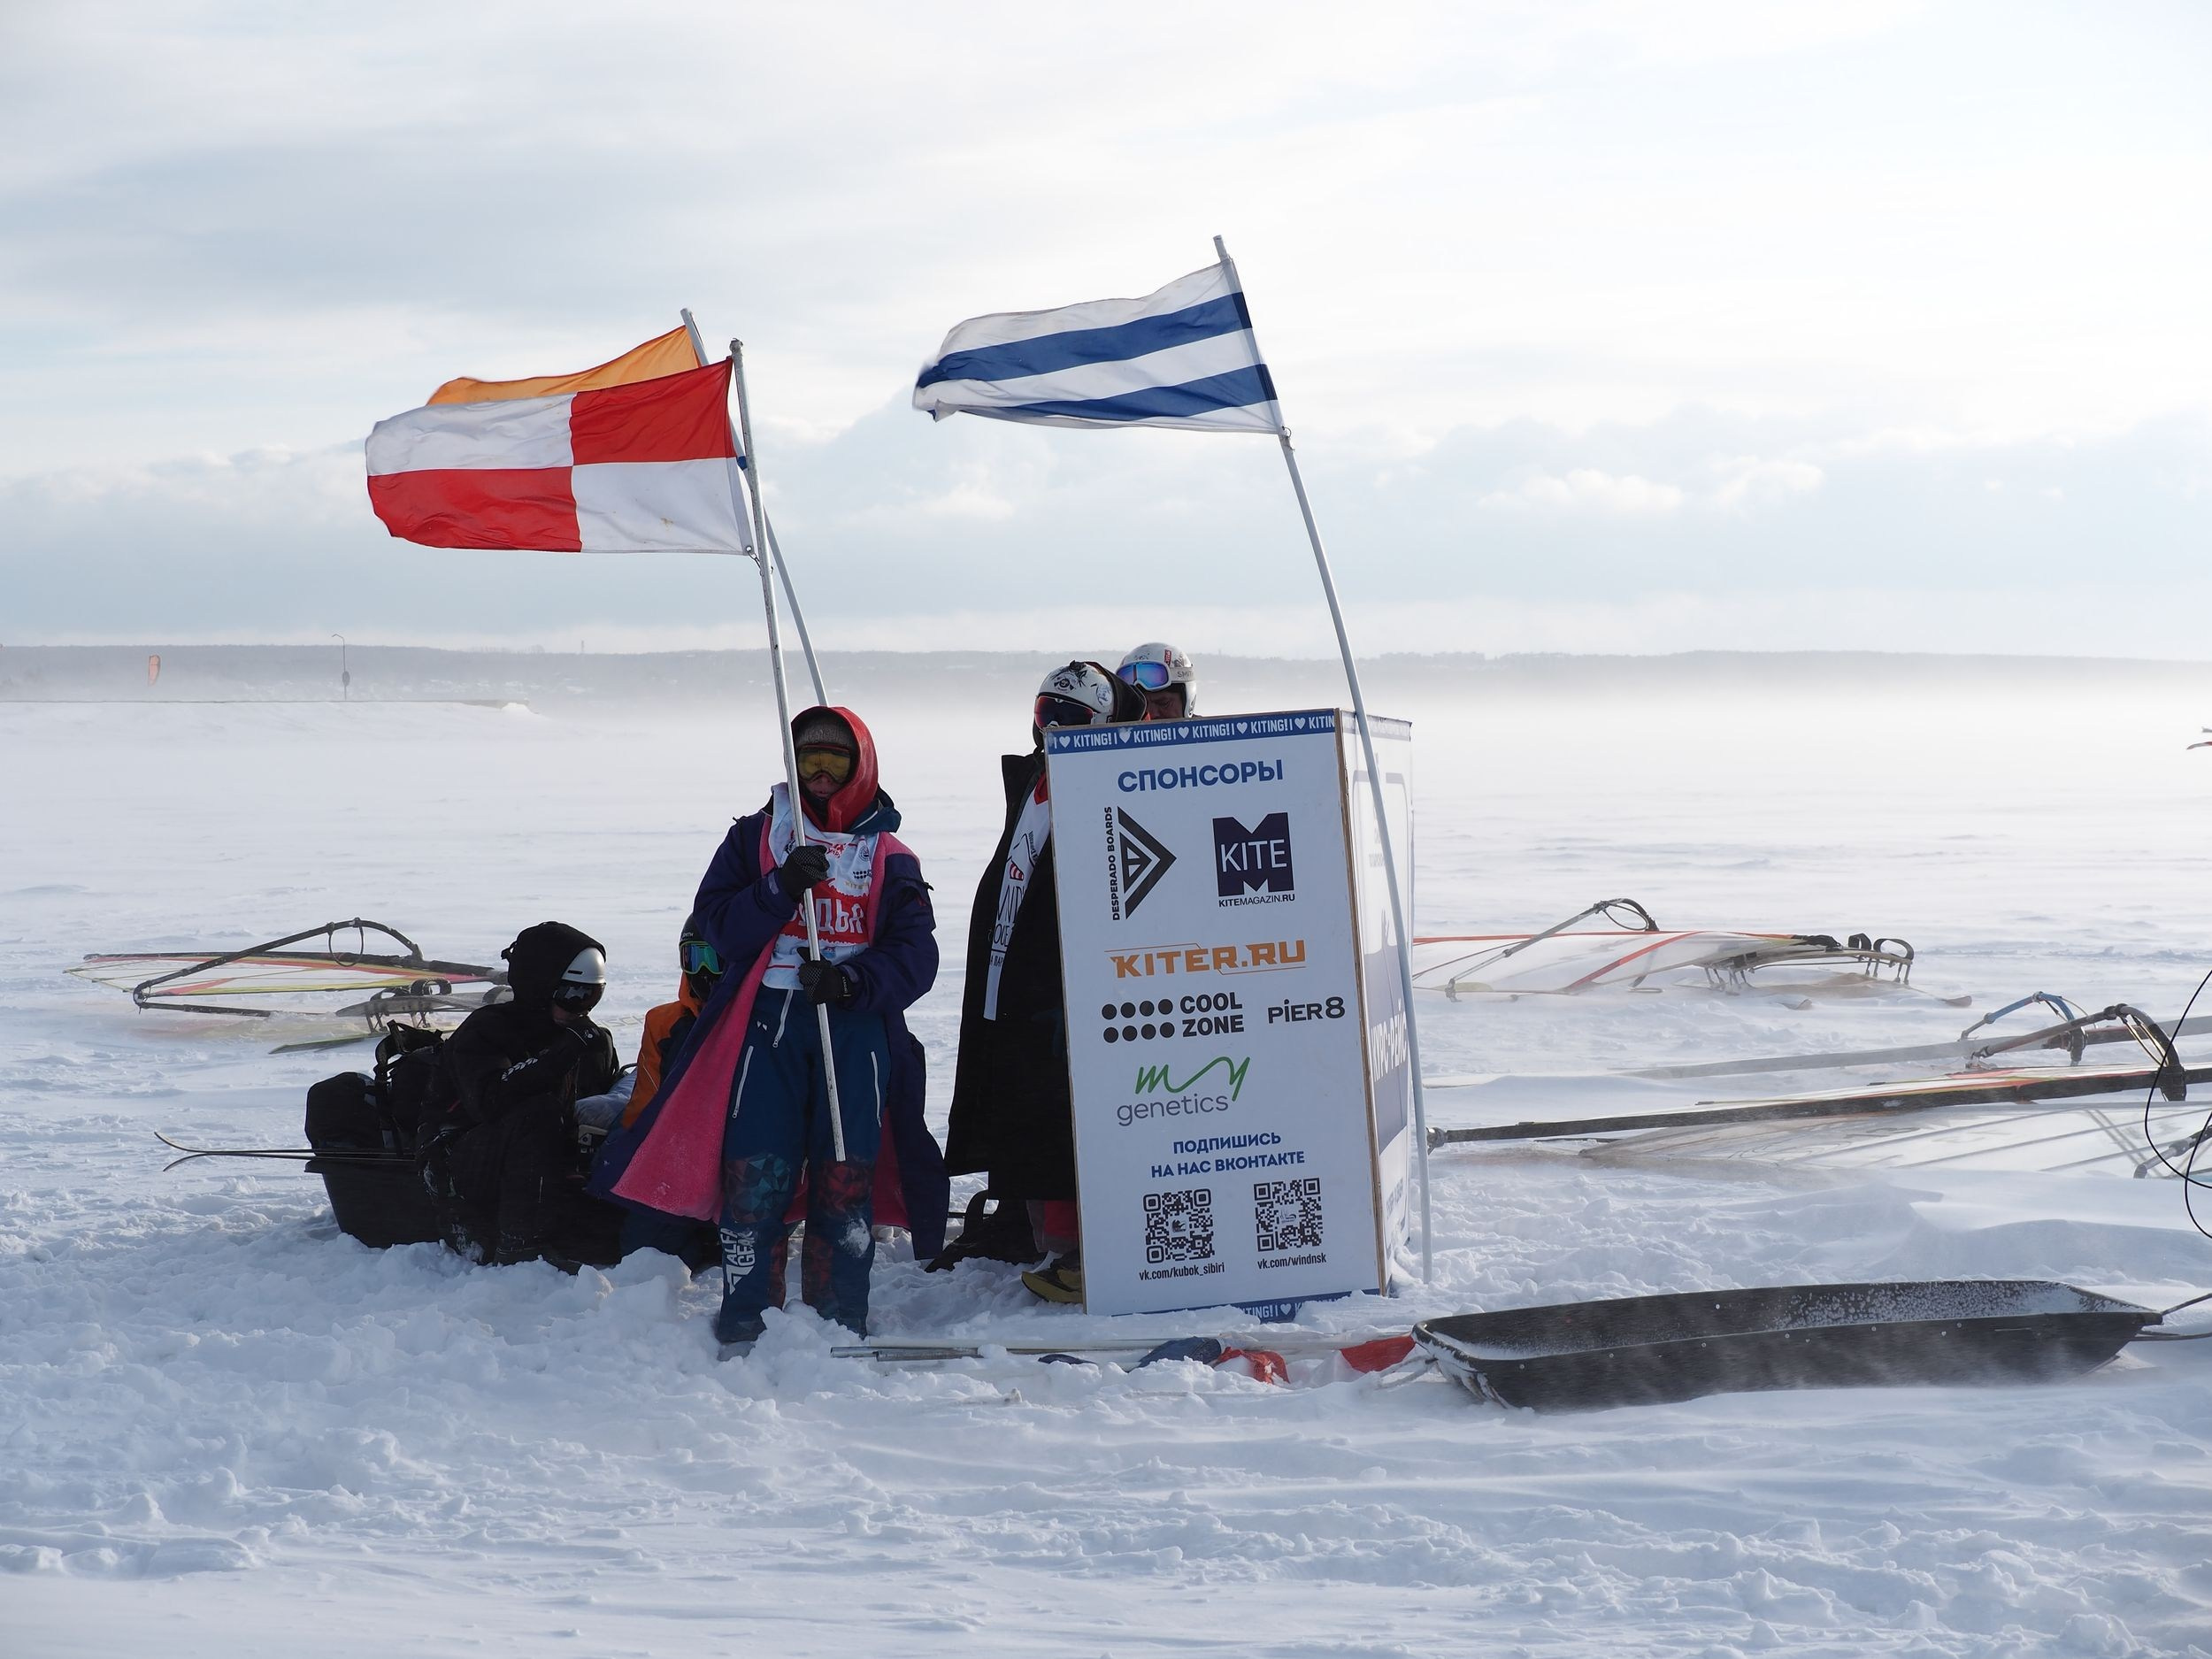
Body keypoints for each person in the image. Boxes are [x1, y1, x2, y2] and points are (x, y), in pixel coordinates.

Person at [593, 706, 941, 1348]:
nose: (822, 772)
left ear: (862, 766)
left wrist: (851, 982)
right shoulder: (756, 839)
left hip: (853, 1033)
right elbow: (717, 927)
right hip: (765, 1027)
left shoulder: (891, 857)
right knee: (756, 1177)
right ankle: (749, 1318)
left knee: (844, 1180)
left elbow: (917, 957)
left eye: (836, 758)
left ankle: (837, 1318)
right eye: (809, 757)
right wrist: (778, 888)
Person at [937, 661, 1148, 1302]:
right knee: (1028, 1116)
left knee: (1070, 1123)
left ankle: (1089, 1251)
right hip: (1016, 984)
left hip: (1068, 992)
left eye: (1070, 719)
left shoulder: (1112, 787)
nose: (1053, 729)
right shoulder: (1037, 784)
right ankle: (1051, 1244)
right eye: (1044, 714)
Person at [436, 920, 621, 1266]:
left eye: (591, 996)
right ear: (541, 986)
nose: (581, 1008)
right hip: (461, 1163)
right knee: (539, 1112)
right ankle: (519, 1245)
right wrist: (558, 1057)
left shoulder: (588, 1039)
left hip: (540, 1171)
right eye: (572, 995)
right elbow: (490, 1101)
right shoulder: (488, 1029)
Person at [1117, 641, 1197, 721]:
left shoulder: (1204, 728)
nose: (1151, 715)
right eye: (1138, 707)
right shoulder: (1116, 729)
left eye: (1163, 703)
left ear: (1187, 703)